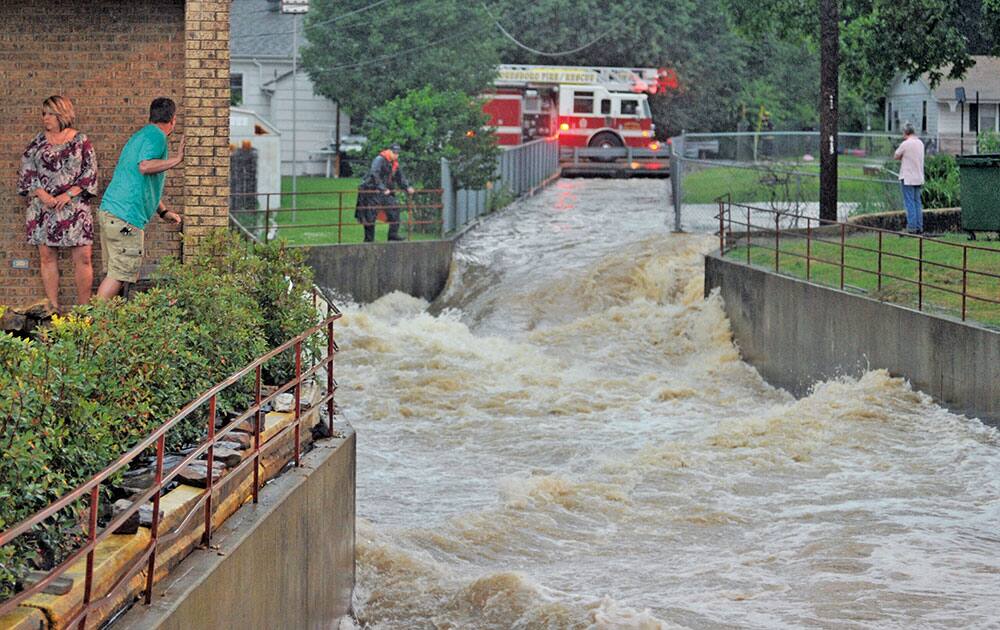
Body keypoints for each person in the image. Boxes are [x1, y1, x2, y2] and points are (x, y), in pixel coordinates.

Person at [96, 97, 184, 299]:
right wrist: (177, 160)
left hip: (111, 213)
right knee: (120, 275)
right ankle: (89, 326)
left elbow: (141, 181)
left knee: (117, 274)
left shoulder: (140, 136)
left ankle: (104, 327)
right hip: (125, 218)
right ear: (173, 119)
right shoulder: (157, 137)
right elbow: (144, 167)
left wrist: (163, 211)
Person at [17, 95, 99, 310]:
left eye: (50, 113)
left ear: (62, 114)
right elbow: (26, 171)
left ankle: (83, 312)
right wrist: (40, 193)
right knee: (47, 257)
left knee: (83, 257)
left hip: (74, 207)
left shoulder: (81, 141)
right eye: (44, 113)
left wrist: (69, 194)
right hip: (44, 208)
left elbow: (89, 171)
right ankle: (52, 311)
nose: (45, 118)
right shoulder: (37, 142)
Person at [355, 143, 415, 242]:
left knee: (394, 209)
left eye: (398, 153)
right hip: (371, 191)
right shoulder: (379, 159)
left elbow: (400, 177)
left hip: (383, 192)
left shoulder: (394, 163)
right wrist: (382, 188)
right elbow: (375, 174)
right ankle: (369, 241)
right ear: (389, 151)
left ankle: (393, 235)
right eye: (394, 152)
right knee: (370, 216)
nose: (396, 155)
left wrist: (407, 187)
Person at [893, 122, 925, 234]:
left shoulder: (905, 144)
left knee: (909, 202)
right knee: (917, 202)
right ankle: (919, 226)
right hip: (918, 176)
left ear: (906, 132)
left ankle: (911, 227)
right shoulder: (920, 143)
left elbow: (896, 155)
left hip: (907, 177)